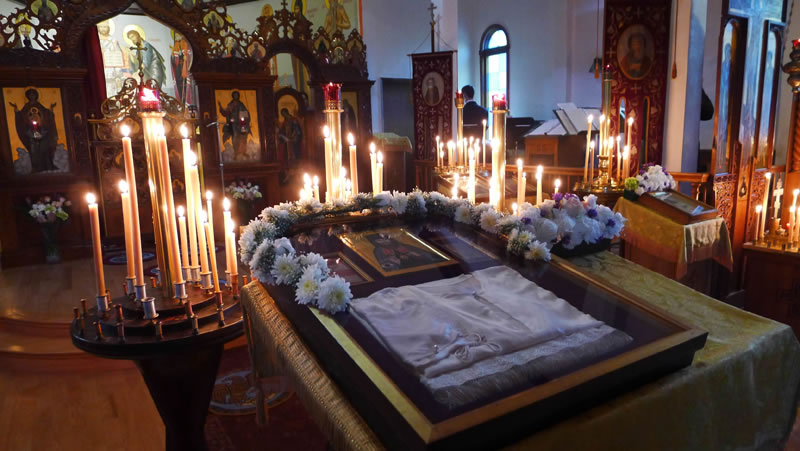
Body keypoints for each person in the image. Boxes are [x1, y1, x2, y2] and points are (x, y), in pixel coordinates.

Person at [10, 88, 59, 173]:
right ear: (28, 96)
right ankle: (36, 167)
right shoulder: (26, 107)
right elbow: (21, 117)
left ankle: (48, 166)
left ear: (36, 95)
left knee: (45, 149)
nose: (32, 96)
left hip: (42, 132)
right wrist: (16, 110)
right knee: (34, 151)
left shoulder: (39, 106)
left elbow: (46, 114)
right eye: (30, 95)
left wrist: (51, 109)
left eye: (33, 94)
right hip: (31, 133)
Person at [218, 91, 251, 160]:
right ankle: (236, 153)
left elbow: (245, 113)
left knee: (243, 138)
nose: (236, 96)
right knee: (235, 138)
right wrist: (220, 107)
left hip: (242, 124)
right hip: (234, 124)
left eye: (237, 95)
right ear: (233, 96)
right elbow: (225, 113)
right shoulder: (231, 105)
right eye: (234, 95)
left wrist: (246, 117)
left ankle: (243, 152)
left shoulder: (241, 104)